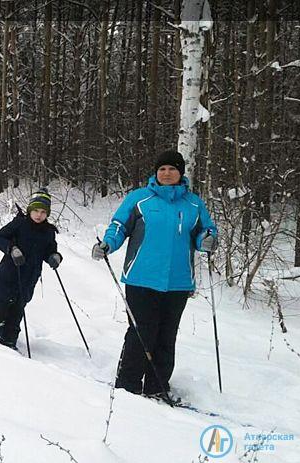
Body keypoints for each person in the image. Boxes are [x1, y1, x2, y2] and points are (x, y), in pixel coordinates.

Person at [91, 150, 218, 398]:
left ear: (181, 173)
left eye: (172, 169)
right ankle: (127, 384)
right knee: (141, 333)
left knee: (166, 336)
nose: (167, 173)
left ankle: (157, 386)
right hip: (141, 277)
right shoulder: (139, 199)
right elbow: (119, 226)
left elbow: (205, 231)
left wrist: (208, 240)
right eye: (162, 169)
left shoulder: (193, 203)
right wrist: (108, 244)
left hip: (178, 282)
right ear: (155, 173)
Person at [0, 189, 62, 350]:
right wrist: (11, 249)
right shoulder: (19, 224)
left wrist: (55, 257)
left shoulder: (48, 232)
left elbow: (49, 251)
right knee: (0, 308)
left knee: (17, 312)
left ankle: (9, 343)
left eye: (43, 212)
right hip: (8, 276)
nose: (39, 215)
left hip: (28, 279)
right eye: (35, 211)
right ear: (30, 210)